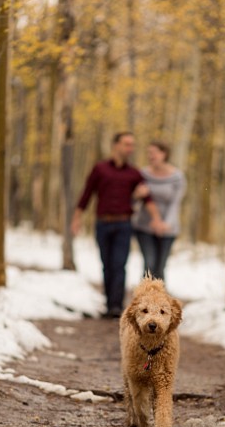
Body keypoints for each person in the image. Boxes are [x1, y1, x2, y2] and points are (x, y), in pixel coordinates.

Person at [70, 132, 167, 318]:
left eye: (132, 145)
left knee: (119, 264)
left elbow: (148, 198)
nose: (130, 148)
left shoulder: (134, 173)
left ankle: (116, 306)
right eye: (126, 144)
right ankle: (109, 304)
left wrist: (156, 219)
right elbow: (86, 195)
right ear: (115, 145)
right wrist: (76, 219)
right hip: (103, 224)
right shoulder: (100, 169)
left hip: (124, 224)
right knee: (106, 264)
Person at [133, 140, 186, 283]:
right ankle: (143, 301)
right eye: (149, 153)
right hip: (144, 226)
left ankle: (160, 302)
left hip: (168, 229)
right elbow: (133, 201)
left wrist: (165, 224)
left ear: (164, 154)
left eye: (154, 152)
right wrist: (136, 196)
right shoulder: (142, 174)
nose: (151, 156)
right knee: (149, 264)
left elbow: (175, 204)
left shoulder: (177, 177)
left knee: (160, 267)